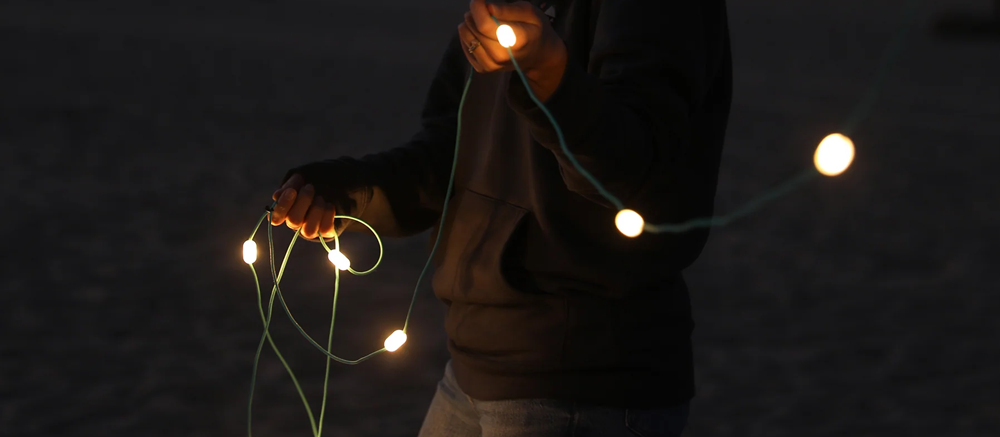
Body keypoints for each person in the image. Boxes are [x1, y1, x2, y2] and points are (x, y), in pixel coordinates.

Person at [269, 0, 732, 435]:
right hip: (474, 370)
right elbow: (451, 154)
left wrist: (550, 76)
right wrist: (350, 191)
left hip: (582, 385)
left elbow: (631, 173)